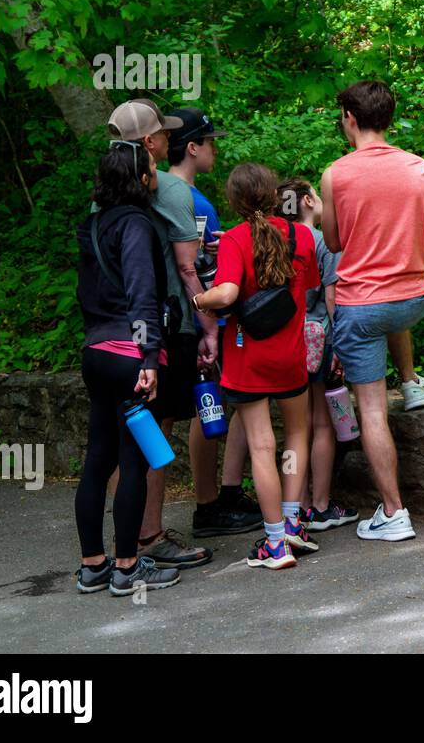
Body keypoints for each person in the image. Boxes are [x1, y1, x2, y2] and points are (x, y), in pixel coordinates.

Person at [321, 79, 424, 542]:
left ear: (350, 119)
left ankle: (394, 513)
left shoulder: (336, 175)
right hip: (414, 300)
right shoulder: (420, 169)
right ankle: (411, 384)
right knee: (389, 314)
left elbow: (333, 242)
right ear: (389, 118)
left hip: (362, 306)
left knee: (371, 409)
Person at [194, 163, 321, 570]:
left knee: (262, 446)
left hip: (249, 358)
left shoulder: (233, 239)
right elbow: (309, 285)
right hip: (291, 357)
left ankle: (274, 544)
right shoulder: (301, 235)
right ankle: (293, 524)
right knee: (297, 435)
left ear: (234, 201)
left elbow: (229, 290)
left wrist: (198, 300)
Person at [105, 100, 213, 570]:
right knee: (157, 432)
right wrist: (208, 329)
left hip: (113, 328)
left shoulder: (102, 193)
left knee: (125, 432)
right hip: (166, 326)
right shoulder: (170, 190)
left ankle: (125, 536)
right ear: (148, 143)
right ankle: (148, 535)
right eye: (163, 135)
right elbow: (189, 269)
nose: (168, 141)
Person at [74, 142, 181, 596]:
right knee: (133, 461)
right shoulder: (136, 224)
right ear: (140, 180)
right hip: (129, 355)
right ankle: (127, 567)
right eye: (153, 169)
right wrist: (149, 358)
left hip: (96, 350)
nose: (156, 175)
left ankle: (92, 566)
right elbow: (141, 293)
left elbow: (88, 292)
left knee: (98, 459)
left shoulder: (93, 224)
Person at [167, 107, 261, 538]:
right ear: (192, 147)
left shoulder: (161, 194)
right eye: (209, 141)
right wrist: (213, 320)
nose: (215, 149)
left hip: (176, 319)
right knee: (208, 408)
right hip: (203, 320)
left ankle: (217, 496)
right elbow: (203, 269)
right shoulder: (193, 202)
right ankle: (207, 505)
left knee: (205, 409)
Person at [276, 177, 358, 530]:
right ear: (308, 200)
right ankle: (320, 506)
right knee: (322, 424)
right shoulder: (324, 242)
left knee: (296, 427)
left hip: (286, 341)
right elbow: (331, 296)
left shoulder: (277, 239)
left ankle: (296, 504)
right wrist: (340, 343)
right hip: (318, 339)